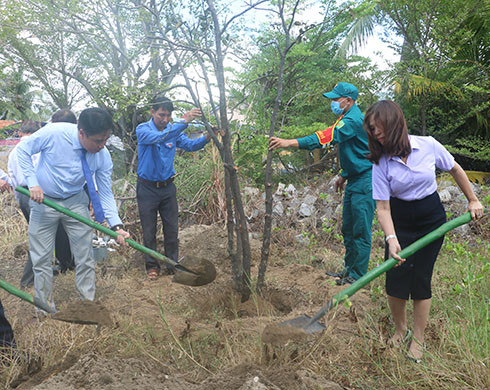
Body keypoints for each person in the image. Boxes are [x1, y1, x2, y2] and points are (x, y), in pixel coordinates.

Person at [364, 100, 483, 362]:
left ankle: (418, 337)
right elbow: (382, 208)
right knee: (395, 275)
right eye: (371, 130)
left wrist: (472, 199)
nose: (375, 133)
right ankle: (400, 330)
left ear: (393, 122)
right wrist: (391, 238)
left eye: (377, 127)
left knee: (420, 277)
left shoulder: (427, 145)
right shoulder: (381, 163)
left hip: (431, 218)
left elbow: (454, 168)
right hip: (400, 219)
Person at [16, 107, 130, 312]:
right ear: (81, 133)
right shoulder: (54, 133)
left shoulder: (102, 155)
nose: (102, 145)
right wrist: (33, 183)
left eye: (105, 140)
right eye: (97, 140)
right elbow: (23, 150)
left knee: (84, 255)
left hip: (76, 201)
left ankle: (87, 305)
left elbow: (104, 192)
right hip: (45, 202)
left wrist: (117, 225)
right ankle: (44, 308)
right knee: (41, 258)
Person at [269, 82, 375, 285]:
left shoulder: (352, 120)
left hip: (365, 180)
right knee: (348, 228)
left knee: (360, 229)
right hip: (354, 178)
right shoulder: (346, 118)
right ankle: (348, 270)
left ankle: (358, 277)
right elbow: (356, 150)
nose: (333, 103)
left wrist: (289, 142)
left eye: (336, 99)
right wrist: (344, 174)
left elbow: (323, 138)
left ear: (349, 100)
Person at [136, 95, 208, 280]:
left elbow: (191, 146)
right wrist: (183, 121)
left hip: (168, 188)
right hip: (147, 189)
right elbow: (161, 137)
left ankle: (172, 264)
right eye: (161, 115)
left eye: (168, 115)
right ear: (152, 112)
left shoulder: (172, 130)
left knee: (171, 228)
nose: (165, 119)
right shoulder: (143, 130)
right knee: (149, 229)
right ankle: (152, 266)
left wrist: (208, 136)